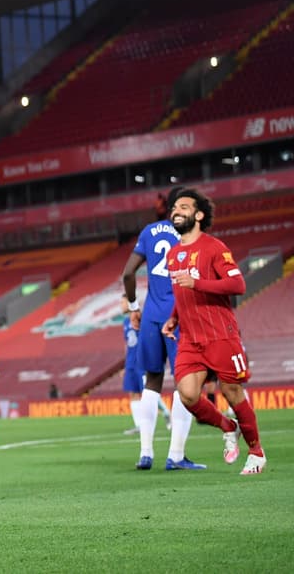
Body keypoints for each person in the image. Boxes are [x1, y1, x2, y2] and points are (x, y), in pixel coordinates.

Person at [162, 188, 265, 475]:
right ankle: (228, 427)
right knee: (188, 395)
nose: (175, 211)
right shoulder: (173, 254)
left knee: (232, 392)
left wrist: (199, 284)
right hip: (190, 338)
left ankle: (256, 452)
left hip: (220, 334)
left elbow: (238, 285)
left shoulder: (214, 248)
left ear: (198, 215)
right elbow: (181, 294)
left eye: (183, 207)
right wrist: (173, 318)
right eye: (173, 208)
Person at [121, 186, 201, 470]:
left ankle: (145, 453)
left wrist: (133, 308)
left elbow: (128, 273)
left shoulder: (148, 231)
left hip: (152, 314)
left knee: (151, 382)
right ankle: (176, 455)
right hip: (179, 315)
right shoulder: (191, 234)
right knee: (184, 382)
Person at [120, 302, 172, 436]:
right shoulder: (125, 322)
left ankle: (166, 412)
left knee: (148, 391)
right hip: (131, 363)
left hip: (141, 361)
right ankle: (139, 425)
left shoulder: (141, 318)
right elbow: (127, 345)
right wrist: (125, 365)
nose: (121, 305)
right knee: (133, 393)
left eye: (123, 302)